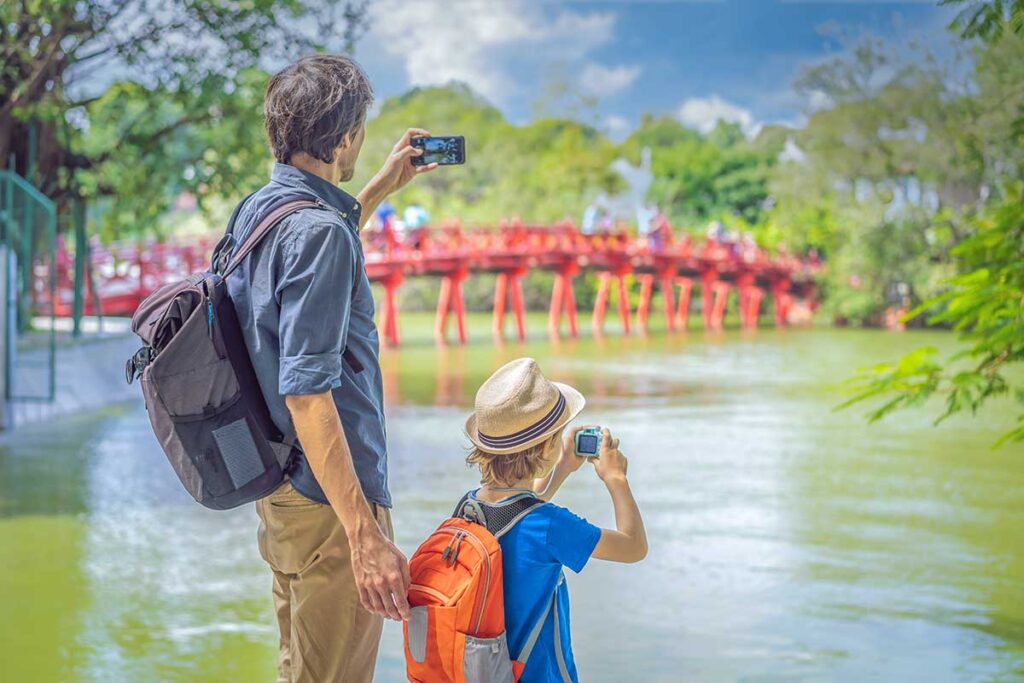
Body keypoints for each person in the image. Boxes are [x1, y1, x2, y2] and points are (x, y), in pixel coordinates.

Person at [226, 54, 438, 683]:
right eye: (359, 133)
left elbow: (312, 242)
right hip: (329, 503)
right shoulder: (322, 233)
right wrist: (364, 534)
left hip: (283, 489)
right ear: (344, 137)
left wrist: (373, 190)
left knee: (301, 668)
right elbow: (309, 395)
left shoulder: (260, 211)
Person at [462, 358, 648, 682]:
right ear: (547, 446)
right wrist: (616, 478)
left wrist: (561, 468)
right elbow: (634, 547)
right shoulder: (550, 525)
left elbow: (516, 516)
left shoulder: (468, 508)